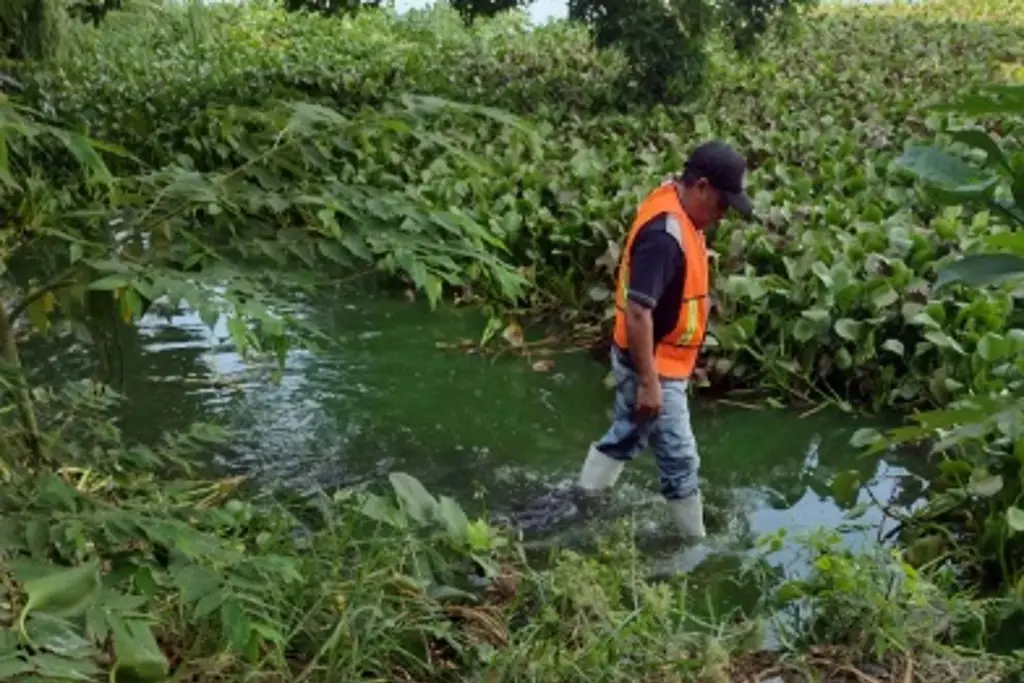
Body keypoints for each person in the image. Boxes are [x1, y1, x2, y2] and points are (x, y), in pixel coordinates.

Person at [575, 140, 754, 541]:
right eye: (722, 205)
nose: (722, 216)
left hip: (662, 359)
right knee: (680, 458)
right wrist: (650, 382)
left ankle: (582, 501)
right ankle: (695, 545)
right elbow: (639, 312)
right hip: (653, 364)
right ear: (701, 186)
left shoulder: (678, 203)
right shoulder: (665, 234)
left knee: (628, 433)